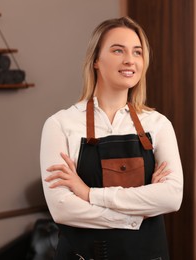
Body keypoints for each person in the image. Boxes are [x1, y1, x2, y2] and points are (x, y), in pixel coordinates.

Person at [40, 16, 183, 260]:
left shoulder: (158, 124)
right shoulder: (60, 125)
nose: (130, 60)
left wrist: (89, 194)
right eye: (118, 50)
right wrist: (139, 212)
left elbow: (171, 198)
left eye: (137, 52)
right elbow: (63, 209)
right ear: (96, 60)